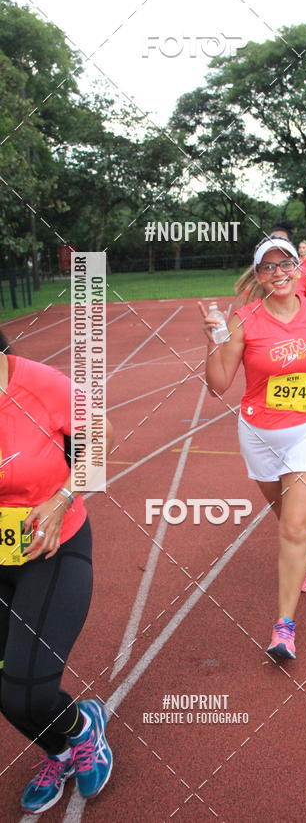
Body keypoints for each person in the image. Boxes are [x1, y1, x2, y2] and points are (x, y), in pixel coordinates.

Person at [198, 237, 306, 661]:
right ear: (258, 276)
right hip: (259, 433)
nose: (279, 273)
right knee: (285, 518)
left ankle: (284, 627)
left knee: (292, 526)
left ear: (300, 269)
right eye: (268, 267)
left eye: (286, 264)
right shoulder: (245, 320)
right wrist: (213, 339)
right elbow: (218, 386)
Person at [0, 330, 114, 814]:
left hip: (54, 550)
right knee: (8, 692)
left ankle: (83, 728)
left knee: (29, 689)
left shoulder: (39, 385)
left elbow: (101, 437)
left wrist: (62, 496)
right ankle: (60, 751)